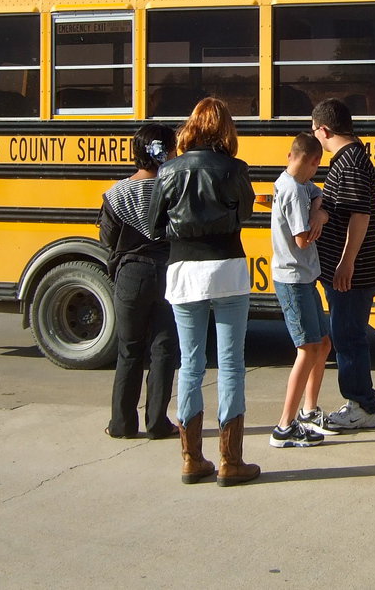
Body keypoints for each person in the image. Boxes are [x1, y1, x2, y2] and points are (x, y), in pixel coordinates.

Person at [149, 97, 260, 486]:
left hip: (184, 271)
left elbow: (153, 224)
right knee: (231, 364)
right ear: (226, 128)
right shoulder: (234, 168)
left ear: (191, 126)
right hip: (227, 267)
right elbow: (244, 212)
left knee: (191, 364)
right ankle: (231, 461)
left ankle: (191, 459)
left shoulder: (168, 171)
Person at [100, 123, 178, 440]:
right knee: (163, 349)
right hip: (168, 273)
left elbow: (107, 238)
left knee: (129, 350)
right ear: (167, 152)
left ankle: (121, 423)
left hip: (131, 274)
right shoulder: (173, 189)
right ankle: (158, 422)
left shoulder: (116, 194)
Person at [311, 98, 375, 431]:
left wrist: (345, 263)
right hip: (350, 269)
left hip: (352, 273)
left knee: (348, 338)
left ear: (324, 130)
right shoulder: (351, 158)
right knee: (347, 335)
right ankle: (360, 401)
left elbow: (359, 214)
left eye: (316, 133)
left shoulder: (350, 161)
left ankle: (362, 406)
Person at [268, 132, 335, 448]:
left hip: (304, 277)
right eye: (316, 168)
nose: (315, 175)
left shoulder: (291, 180)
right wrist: (318, 216)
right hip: (293, 279)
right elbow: (302, 238)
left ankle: (309, 411)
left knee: (322, 343)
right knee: (308, 348)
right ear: (313, 161)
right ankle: (285, 426)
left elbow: (316, 191)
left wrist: (319, 206)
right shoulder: (294, 192)